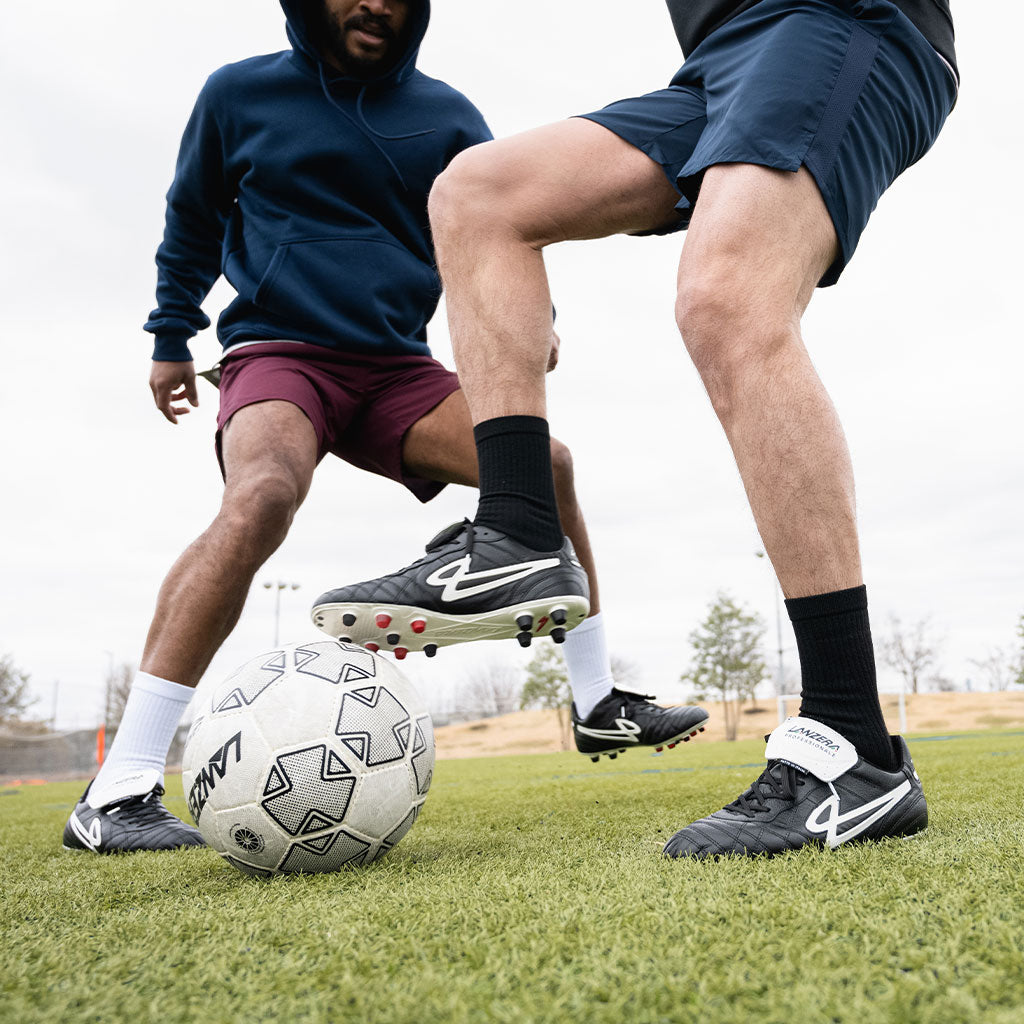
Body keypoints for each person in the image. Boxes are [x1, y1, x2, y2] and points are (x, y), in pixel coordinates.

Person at [314, 0, 958, 857]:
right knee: (477, 195)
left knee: (727, 300)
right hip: (718, 66)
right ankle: (518, 529)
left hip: (840, 20)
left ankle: (855, 747)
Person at [63, 0, 708, 855]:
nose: (374, 3)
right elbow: (192, 218)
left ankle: (597, 706)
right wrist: (170, 336)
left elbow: (509, 218)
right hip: (279, 352)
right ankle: (122, 785)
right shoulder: (239, 94)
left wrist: (540, 312)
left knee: (545, 467)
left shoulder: (445, 116)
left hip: (395, 369)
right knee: (261, 498)